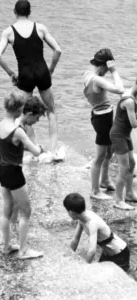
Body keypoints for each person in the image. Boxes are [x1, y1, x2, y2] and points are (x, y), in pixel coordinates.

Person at [0, 0, 61, 155]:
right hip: (42, 71)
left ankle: (34, 148)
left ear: (15, 12)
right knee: (51, 110)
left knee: (24, 113)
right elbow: (58, 50)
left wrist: (11, 73)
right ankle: (53, 150)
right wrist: (50, 69)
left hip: (25, 75)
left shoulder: (9, 32)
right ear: (30, 12)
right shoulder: (40, 28)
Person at [0, 91, 46, 259]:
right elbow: (36, 152)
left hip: (2, 167)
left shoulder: (1, 124)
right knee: (26, 210)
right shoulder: (18, 131)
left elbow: (10, 146)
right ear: (19, 109)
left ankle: (7, 245)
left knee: (6, 210)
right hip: (13, 171)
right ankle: (23, 250)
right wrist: (40, 148)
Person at [83, 49, 124, 200]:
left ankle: (105, 180)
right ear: (102, 66)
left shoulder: (87, 74)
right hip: (102, 119)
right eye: (106, 69)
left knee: (109, 151)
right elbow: (119, 88)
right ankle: (94, 191)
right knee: (100, 156)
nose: (107, 71)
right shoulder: (96, 80)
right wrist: (114, 70)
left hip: (100, 115)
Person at [63, 193, 131, 271]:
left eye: (67, 211)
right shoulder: (81, 219)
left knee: (118, 279)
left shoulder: (92, 223)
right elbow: (75, 239)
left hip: (120, 254)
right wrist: (68, 257)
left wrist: (84, 269)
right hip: (107, 254)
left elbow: (92, 251)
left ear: (71, 212)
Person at [110, 79, 137, 210]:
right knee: (124, 168)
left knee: (132, 163)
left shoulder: (132, 96)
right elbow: (134, 124)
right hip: (118, 135)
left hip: (125, 134)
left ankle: (130, 194)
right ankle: (118, 200)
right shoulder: (129, 101)